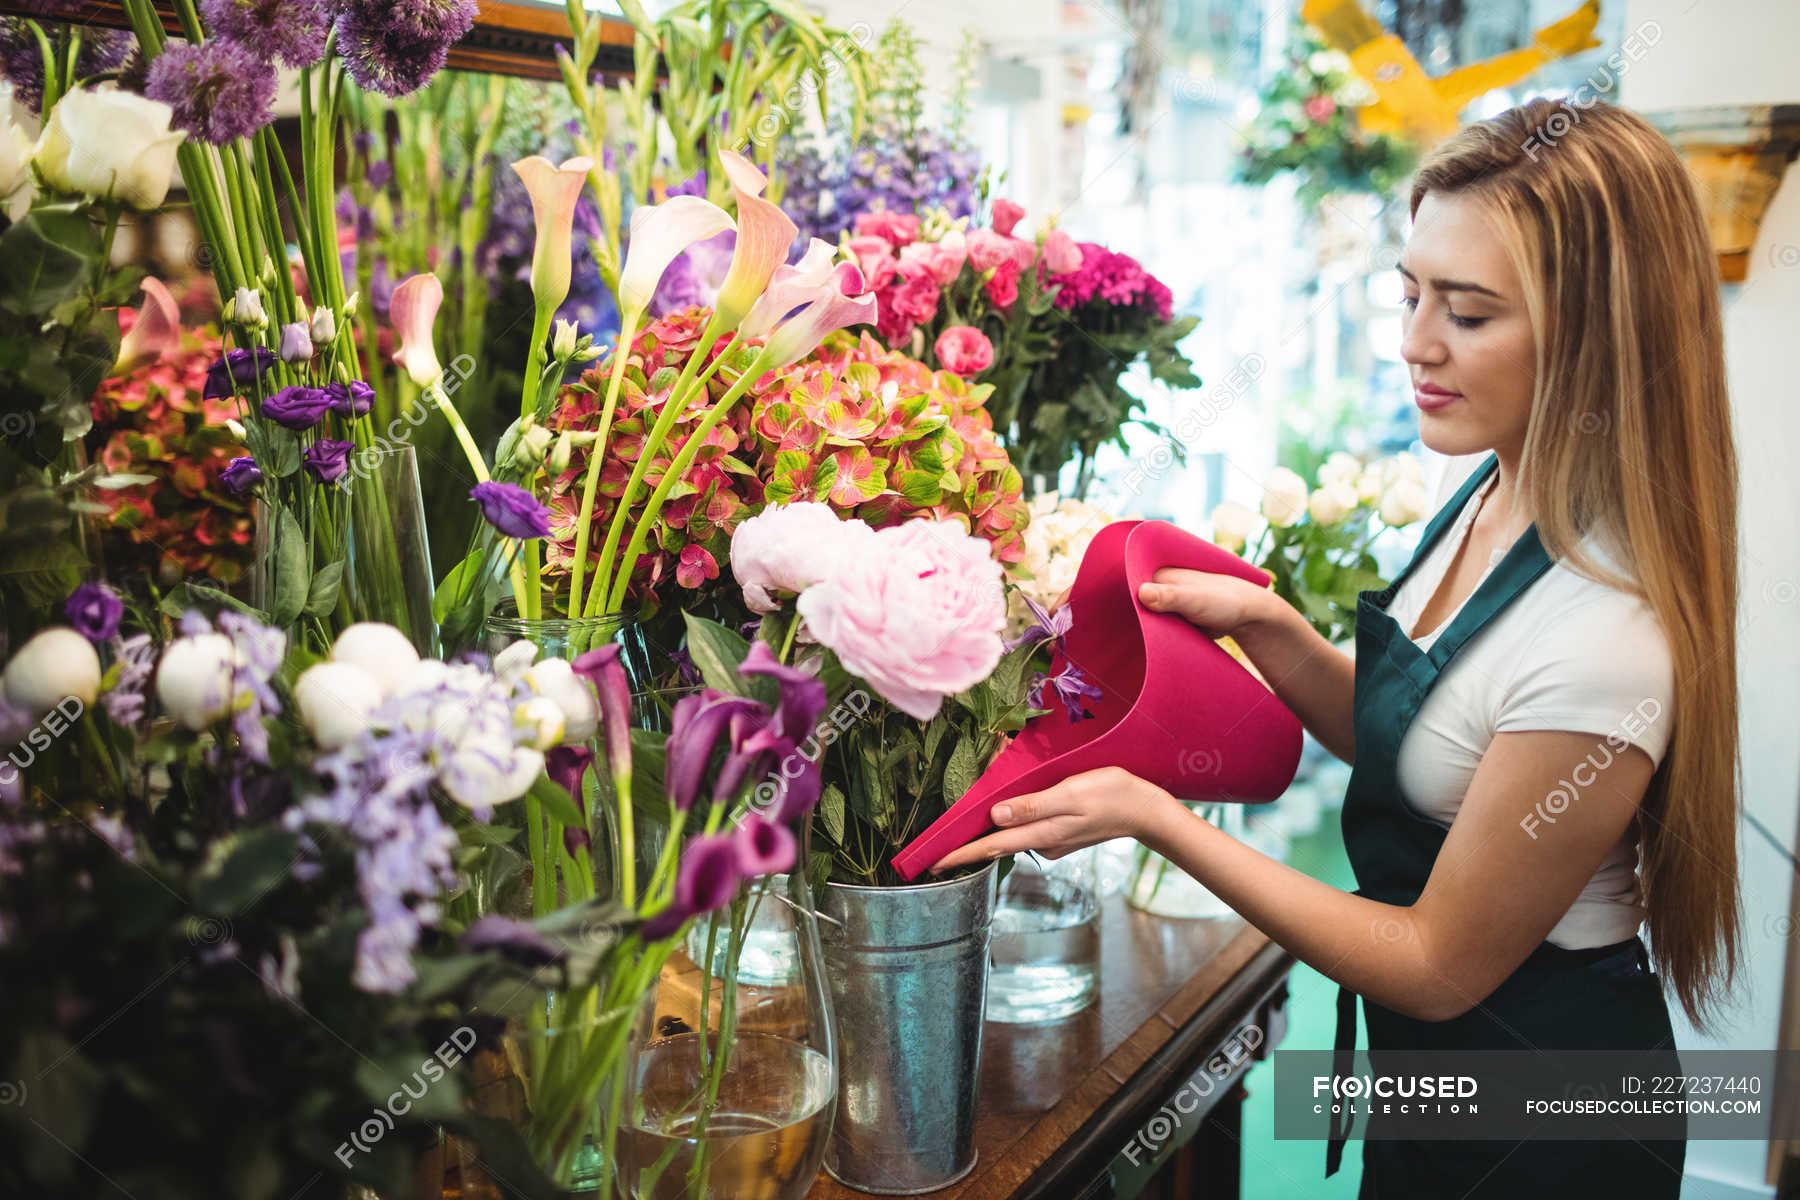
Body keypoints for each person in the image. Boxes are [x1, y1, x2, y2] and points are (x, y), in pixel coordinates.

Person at [927, 97, 1742, 1197]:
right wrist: (1275, 633)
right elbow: (1437, 750)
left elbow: (1436, 965)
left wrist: (1155, 817)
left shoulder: (1606, 636)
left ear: (1597, 332)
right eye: (1411, 296)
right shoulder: (1495, 487)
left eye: (1468, 313)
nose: (1414, 344)